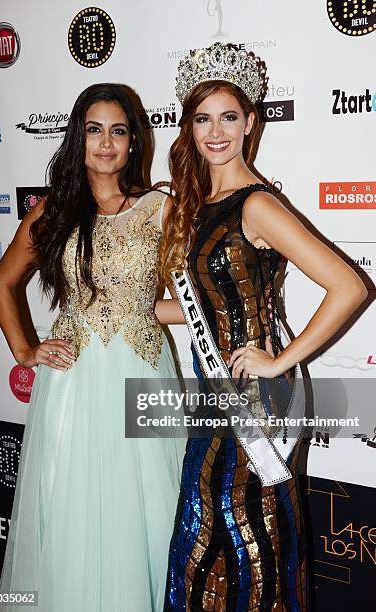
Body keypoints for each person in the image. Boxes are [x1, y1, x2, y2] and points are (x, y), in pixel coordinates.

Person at [159, 43, 367, 611]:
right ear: (189, 126)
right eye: (203, 118)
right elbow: (206, 302)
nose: (216, 131)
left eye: (229, 116)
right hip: (214, 397)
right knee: (209, 538)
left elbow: (349, 286)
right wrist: (146, 311)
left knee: (253, 541)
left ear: (251, 122)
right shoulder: (199, 202)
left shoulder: (256, 205)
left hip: (258, 400)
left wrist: (278, 360)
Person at [0, 83, 184, 612]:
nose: (105, 143)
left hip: (144, 373)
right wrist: (26, 351)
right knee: (76, 513)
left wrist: (145, 311)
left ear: (133, 142)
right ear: (78, 138)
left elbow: (189, 299)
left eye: (118, 131)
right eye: (94, 130)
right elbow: (2, 283)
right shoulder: (54, 210)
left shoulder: (160, 207)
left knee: (147, 514)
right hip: (74, 379)